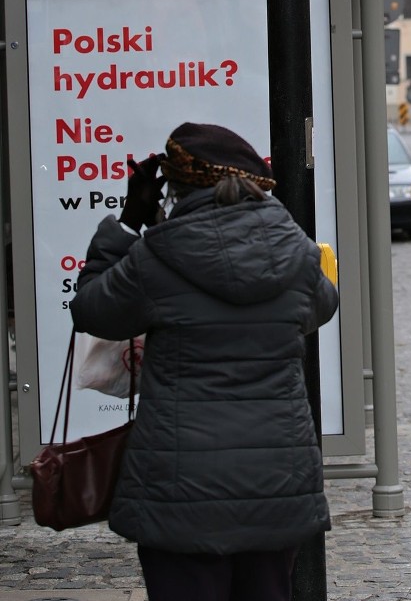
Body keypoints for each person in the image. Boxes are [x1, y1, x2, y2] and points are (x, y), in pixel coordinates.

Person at [71, 122, 339, 601]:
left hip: (181, 492)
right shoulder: (296, 253)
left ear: (173, 189)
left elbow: (92, 309)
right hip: (276, 486)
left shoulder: (155, 257)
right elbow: (323, 306)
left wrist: (130, 222)